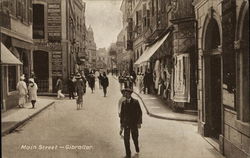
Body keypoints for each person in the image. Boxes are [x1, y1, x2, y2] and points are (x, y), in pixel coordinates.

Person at [120, 87, 142, 158]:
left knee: (135, 138)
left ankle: (136, 147)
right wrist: (121, 126)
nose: (125, 95)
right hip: (126, 124)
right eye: (125, 93)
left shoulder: (135, 102)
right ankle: (128, 154)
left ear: (130, 94)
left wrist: (139, 122)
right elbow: (122, 115)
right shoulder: (123, 103)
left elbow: (140, 112)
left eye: (126, 93)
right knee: (126, 139)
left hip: (134, 123)